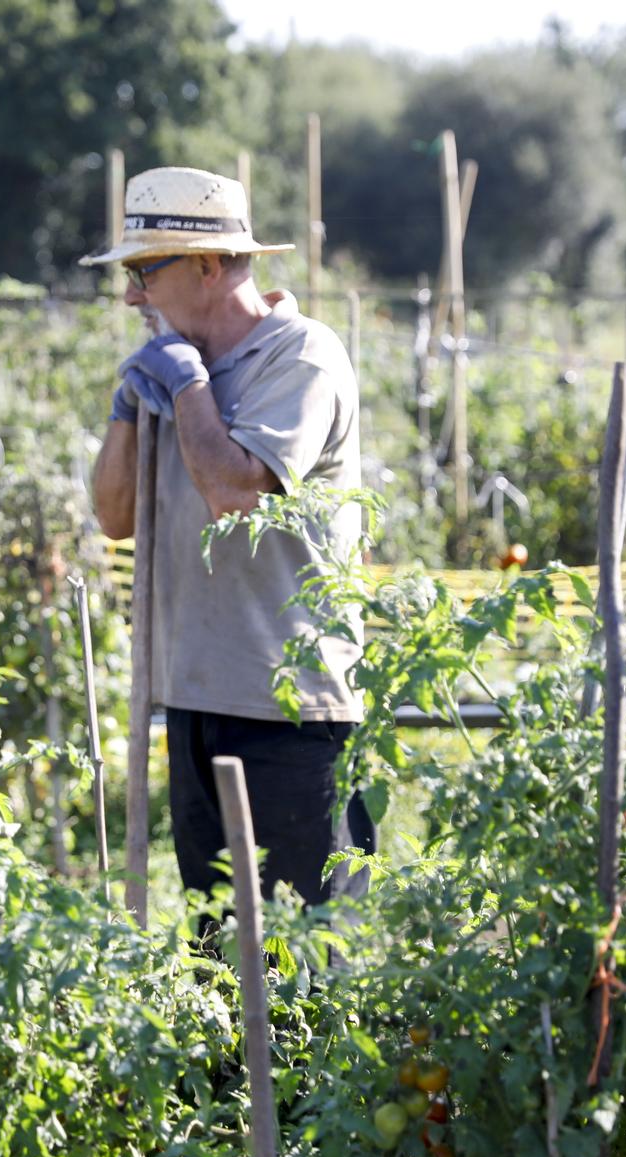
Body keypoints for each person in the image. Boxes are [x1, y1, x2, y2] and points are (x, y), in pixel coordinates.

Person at [82, 166, 374, 908]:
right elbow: (113, 516)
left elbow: (237, 495)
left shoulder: (300, 357)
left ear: (209, 265)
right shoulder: (178, 363)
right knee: (220, 955)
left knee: (304, 959)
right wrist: (128, 403)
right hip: (196, 696)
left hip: (292, 710)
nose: (131, 296)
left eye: (146, 272)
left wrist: (187, 389)